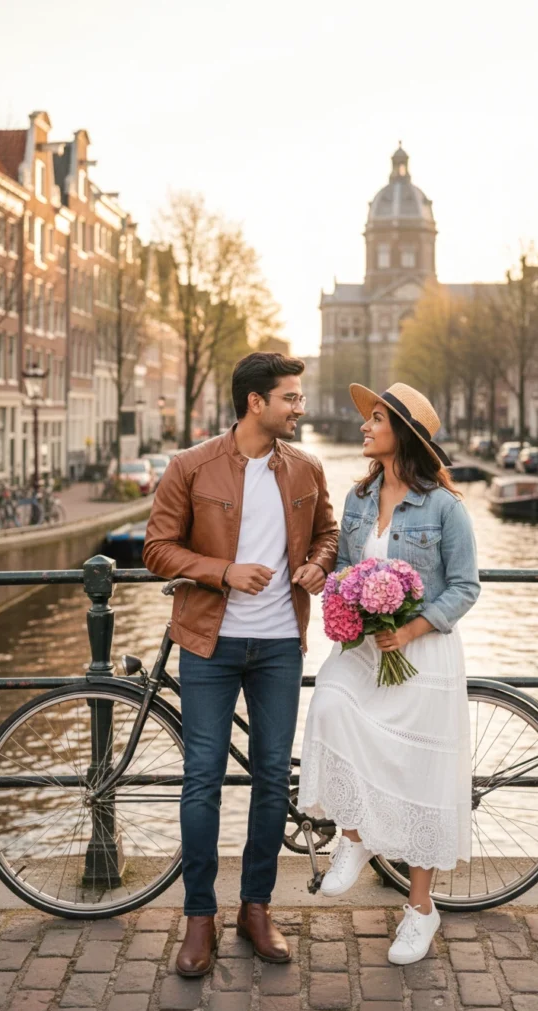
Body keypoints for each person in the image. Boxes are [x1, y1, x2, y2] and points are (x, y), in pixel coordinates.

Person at [143, 352, 338, 976]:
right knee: (201, 777)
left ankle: (256, 908)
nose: (300, 407)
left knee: (271, 775)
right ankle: (200, 915)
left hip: (280, 645)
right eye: (290, 398)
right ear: (257, 402)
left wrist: (319, 564)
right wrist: (222, 572)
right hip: (209, 644)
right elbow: (156, 549)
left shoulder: (305, 467)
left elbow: (329, 535)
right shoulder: (190, 466)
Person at [298, 381, 480, 965]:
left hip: (419, 650)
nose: (364, 427)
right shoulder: (357, 498)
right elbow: (349, 567)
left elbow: (465, 586)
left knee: (418, 774)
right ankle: (353, 836)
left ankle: (419, 912)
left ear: (400, 431)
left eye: (375, 419)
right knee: (328, 706)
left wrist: (410, 628)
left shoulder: (446, 507)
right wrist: (337, 594)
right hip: (364, 648)